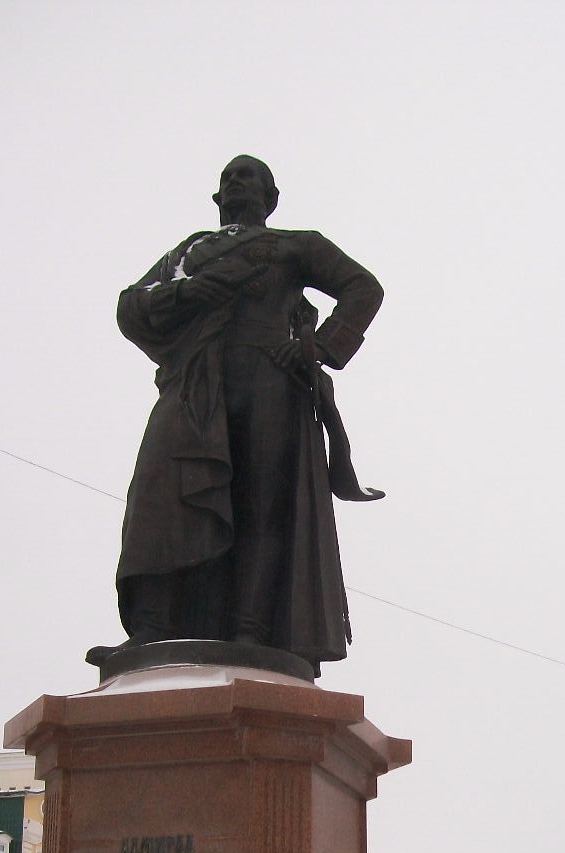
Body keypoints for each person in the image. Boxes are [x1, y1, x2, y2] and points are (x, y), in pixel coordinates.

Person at [108, 155, 384, 674]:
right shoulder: (189, 253)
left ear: (270, 199)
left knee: (262, 506)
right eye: (228, 178)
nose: (235, 183)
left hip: (268, 381)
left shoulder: (294, 245)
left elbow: (363, 287)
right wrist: (188, 291)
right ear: (216, 199)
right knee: (161, 496)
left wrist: (319, 348)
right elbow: (130, 306)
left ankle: (251, 632)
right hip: (196, 384)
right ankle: (151, 629)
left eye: (247, 177)